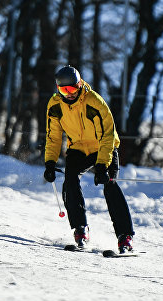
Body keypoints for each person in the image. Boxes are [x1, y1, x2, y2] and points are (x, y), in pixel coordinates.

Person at [43, 64, 135, 253]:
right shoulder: (54, 106)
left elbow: (107, 136)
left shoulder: (94, 102)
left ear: (80, 85)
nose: (68, 93)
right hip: (78, 148)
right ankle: (80, 230)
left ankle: (125, 237)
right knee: (69, 181)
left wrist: (102, 166)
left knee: (110, 184)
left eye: (72, 88)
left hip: (103, 147)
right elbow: (53, 136)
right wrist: (50, 162)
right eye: (63, 89)